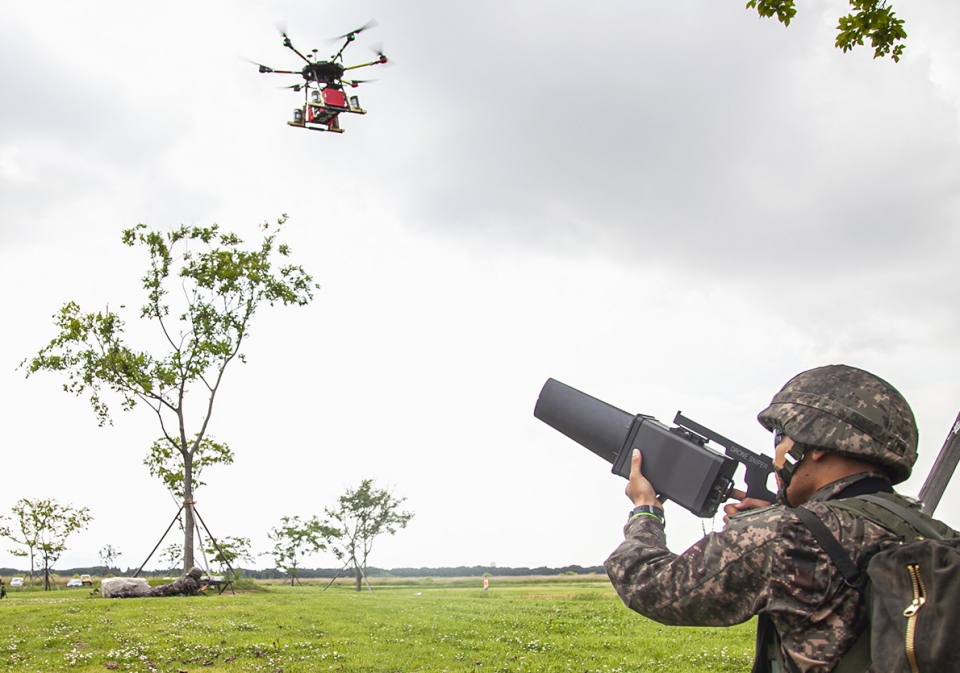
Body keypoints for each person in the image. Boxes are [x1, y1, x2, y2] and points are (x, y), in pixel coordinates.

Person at [604, 364, 956, 673]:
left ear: (815, 443)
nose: (777, 452)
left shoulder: (783, 536)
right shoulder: (932, 532)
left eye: (781, 437)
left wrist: (645, 510)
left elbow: (649, 586)